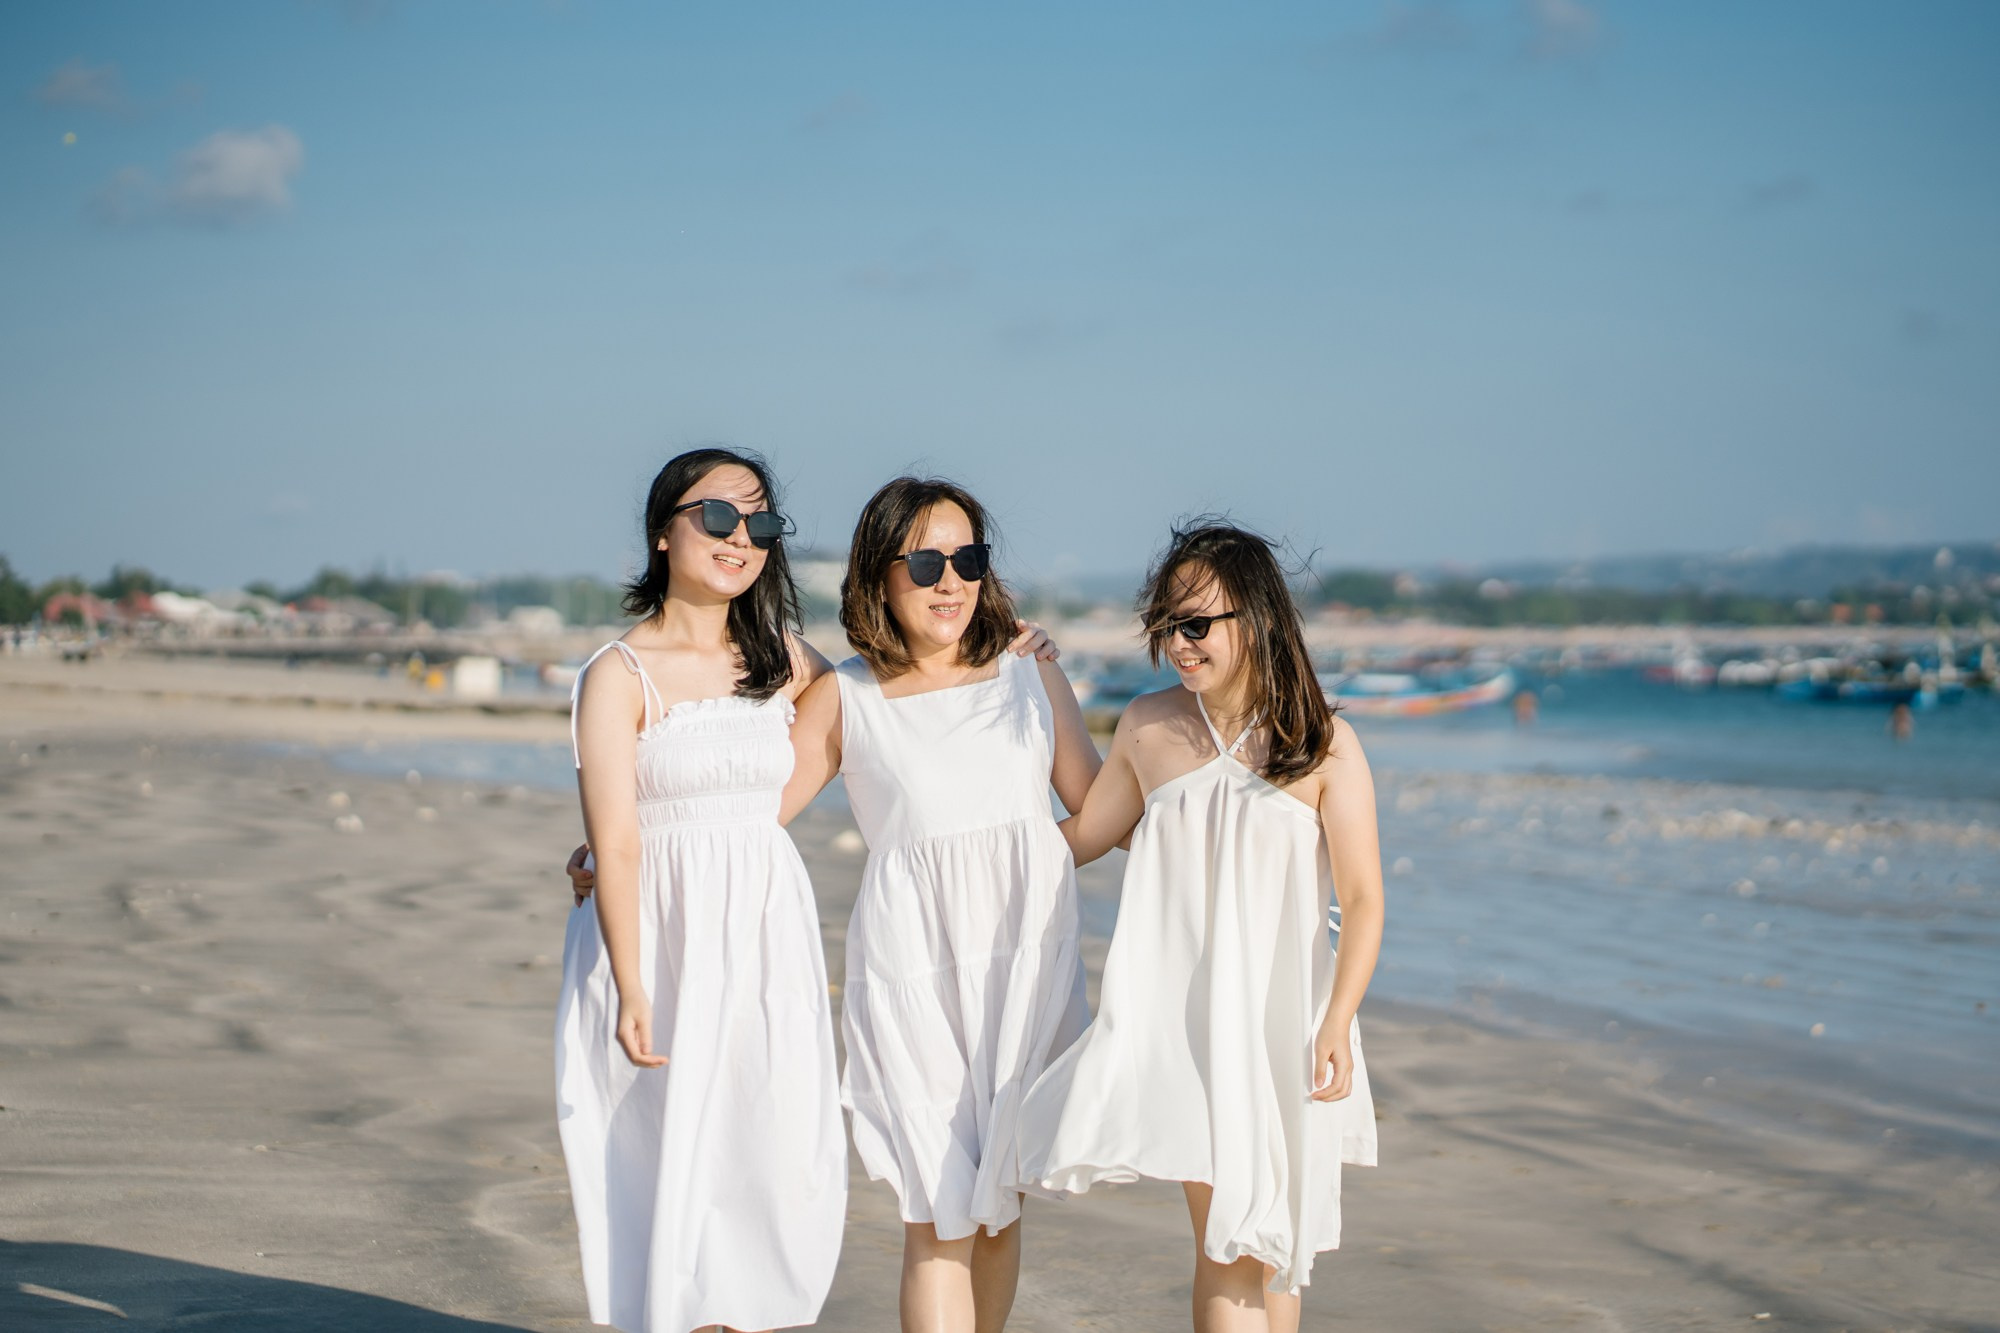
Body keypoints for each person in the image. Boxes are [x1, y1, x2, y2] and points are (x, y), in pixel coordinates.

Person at [1017, 521, 1384, 1333]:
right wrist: (965, 845)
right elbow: (1083, 835)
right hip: (1187, 1028)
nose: (1178, 644)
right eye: (1166, 624)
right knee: (1227, 1242)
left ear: (1256, 618)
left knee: (1276, 1243)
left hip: (1287, 1026)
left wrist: (1337, 1020)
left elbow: (1364, 900)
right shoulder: (1149, 727)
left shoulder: (1323, 742)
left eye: (1195, 624)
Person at [777, 476, 1100, 1333]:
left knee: (1000, 1201)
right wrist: (615, 847)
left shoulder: (1030, 673)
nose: (949, 580)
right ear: (878, 577)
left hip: (1023, 963)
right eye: (925, 563)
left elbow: (1099, 809)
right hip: (911, 973)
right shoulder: (846, 697)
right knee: (938, 1208)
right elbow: (750, 815)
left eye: (968, 559)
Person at [556, 447, 847, 1333]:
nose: (740, 538)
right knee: (670, 1160)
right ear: (662, 532)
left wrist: (750, 828)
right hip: (657, 939)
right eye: (718, 516)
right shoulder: (618, 672)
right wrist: (631, 984)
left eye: (760, 523)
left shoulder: (781, 656)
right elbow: (616, 837)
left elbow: (857, 705)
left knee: (764, 1152)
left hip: (763, 933)